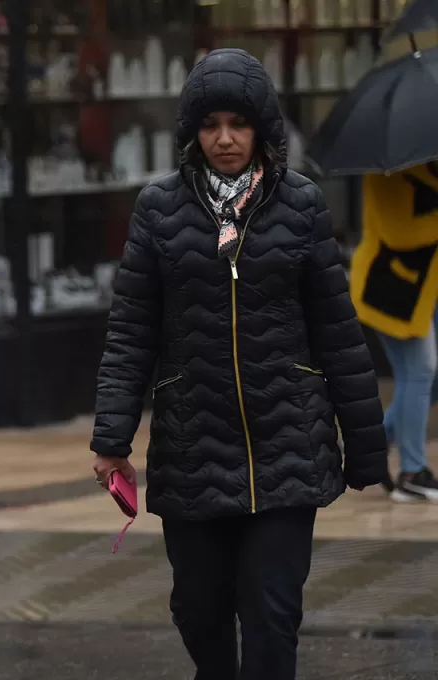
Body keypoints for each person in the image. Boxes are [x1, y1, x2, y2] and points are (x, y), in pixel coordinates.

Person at [89, 49, 387, 680]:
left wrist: (365, 448)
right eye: (211, 124)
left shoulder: (301, 205)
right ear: (193, 132)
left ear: (263, 129)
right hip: (192, 444)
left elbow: (337, 330)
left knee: (272, 615)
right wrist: (113, 438)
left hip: (286, 445)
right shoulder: (158, 209)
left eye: (239, 123)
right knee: (198, 612)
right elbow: (131, 330)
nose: (225, 139)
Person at [352, 163, 438, 501]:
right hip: (389, 292)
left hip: (422, 296)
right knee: (419, 373)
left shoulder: (429, 168)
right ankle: (412, 471)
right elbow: (399, 231)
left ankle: (374, 445)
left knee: (428, 378)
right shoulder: (386, 175)